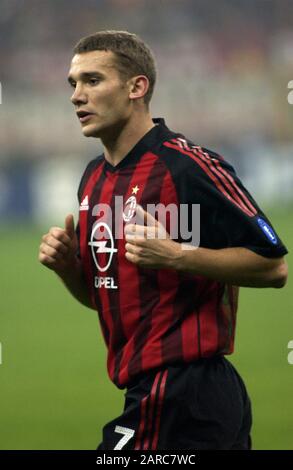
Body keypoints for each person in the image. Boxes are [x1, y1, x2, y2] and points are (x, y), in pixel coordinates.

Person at [38, 30, 288, 450]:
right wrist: (70, 271)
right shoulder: (93, 180)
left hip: (184, 391)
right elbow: (107, 295)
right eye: (73, 84)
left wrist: (178, 255)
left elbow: (273, 266)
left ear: (137, 87)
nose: (77, 95)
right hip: (155, 392)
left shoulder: (188, 166)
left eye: (93, 80)